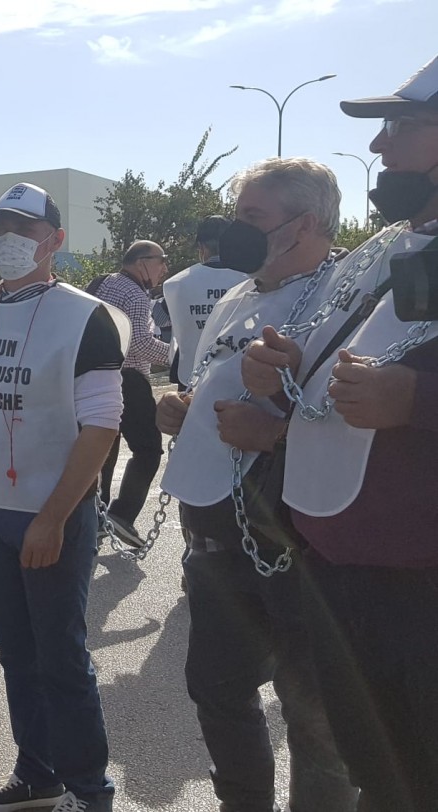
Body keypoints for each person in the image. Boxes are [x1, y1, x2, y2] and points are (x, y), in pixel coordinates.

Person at [242, 54, 438, 811]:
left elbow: (398, 388)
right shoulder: (386, 248)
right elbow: (341, 370)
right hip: (338, 567)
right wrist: (292, 371)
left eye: (404, 126)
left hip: (415, 586)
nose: (382, 147)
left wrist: (415, 398)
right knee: (373, 766)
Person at [156, 158, 356, 812]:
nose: (232, 230)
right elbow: (214, 379)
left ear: (306, 225)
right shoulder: (241, 294)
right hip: (216, 540)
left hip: (305, 550)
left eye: (252, 218)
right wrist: (184, 408)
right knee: (217, 690)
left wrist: (274, 433)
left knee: (314, 719)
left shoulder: (352, 297)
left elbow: (366, 424)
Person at [0, 182, 127, 812]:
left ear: (55, 242)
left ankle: (90, 792)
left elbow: (102, 424)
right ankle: (38, 775)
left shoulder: (86, 317)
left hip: (55, 517)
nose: (8, 242)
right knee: (18, 656)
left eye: (23, 230)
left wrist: (52, 519)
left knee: (61, 660)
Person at [89, 241, 170, 548]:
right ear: (141, 263)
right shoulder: (135, 294)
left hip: (96, 378)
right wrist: (181, 354)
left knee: (103, 451)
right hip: (130, 379)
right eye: (160, 260)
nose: (163, 267)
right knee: (149, 450)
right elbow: (141, 345)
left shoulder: (102, 283)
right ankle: (122, 516)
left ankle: (96, 519)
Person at [161, 216, 246, 389]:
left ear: (201, 247)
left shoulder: (176, 284)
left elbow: (161, 319)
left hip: (190, 374)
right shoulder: (250, 279)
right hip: (240, 373)